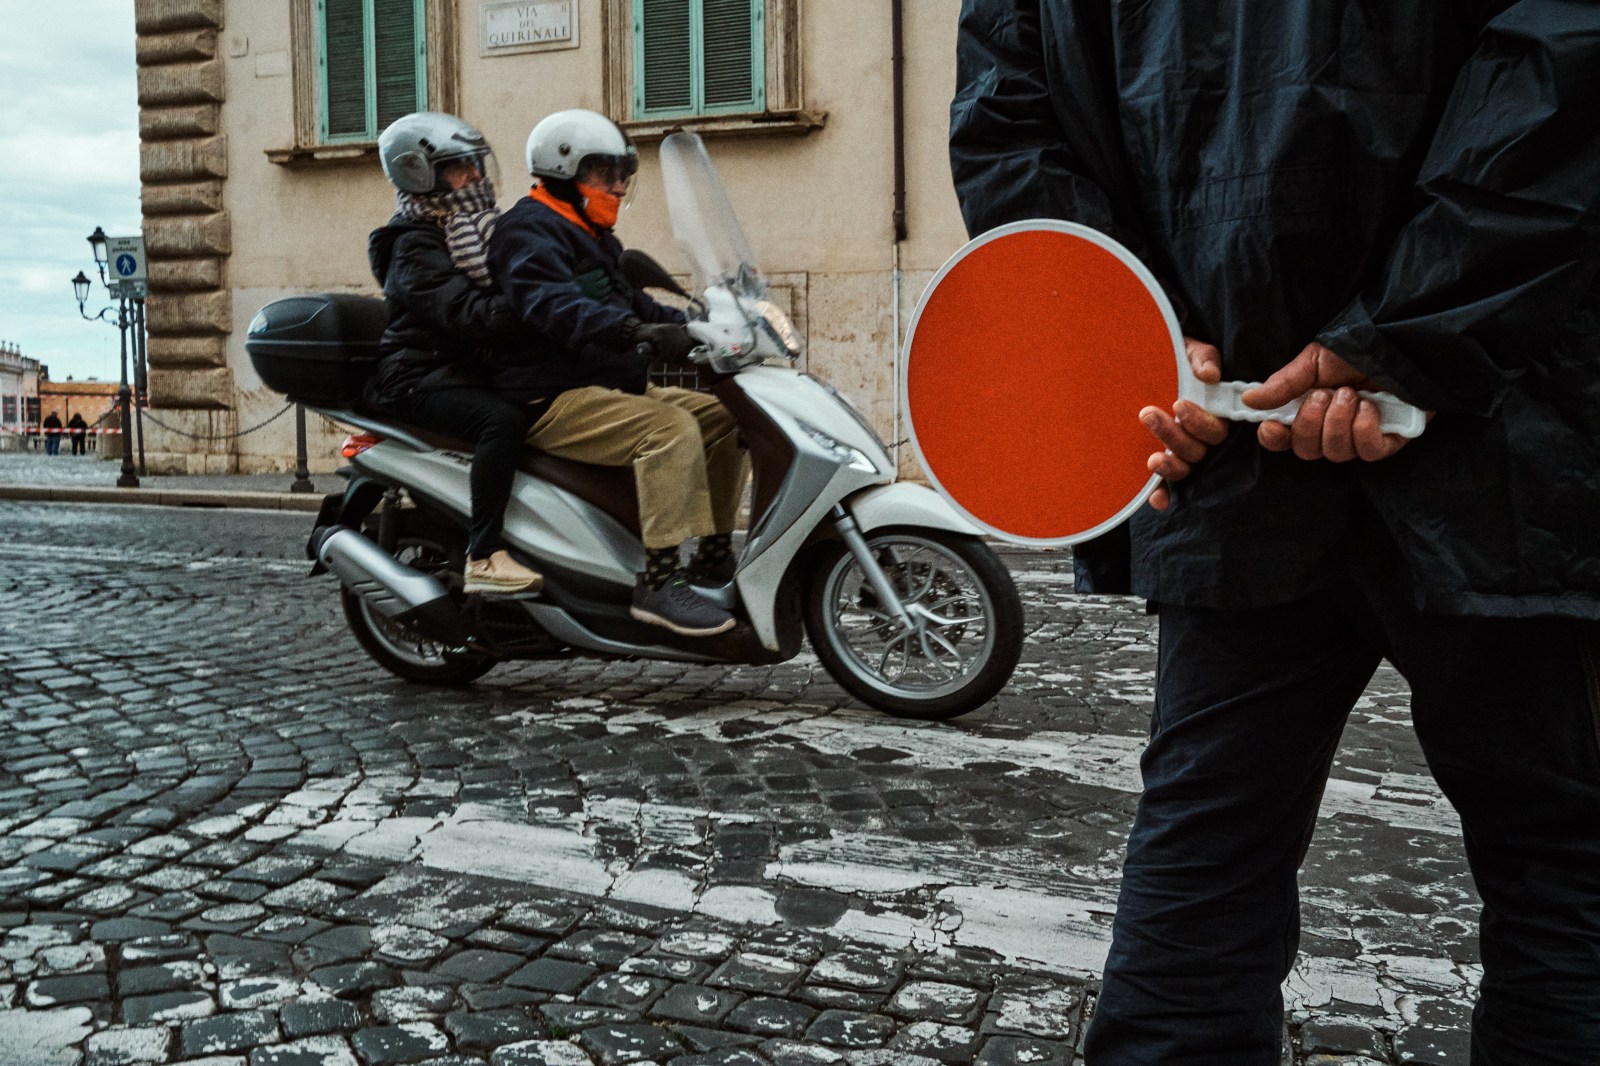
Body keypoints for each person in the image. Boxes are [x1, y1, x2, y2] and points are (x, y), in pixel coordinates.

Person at [951, 3, 1600, 1064]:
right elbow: (1564, 65)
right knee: (1564, 871)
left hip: (1227, 426)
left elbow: (1011, 120)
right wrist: (1408, 326)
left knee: (1207, 857)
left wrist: (1149, 332)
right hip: (1499, 431)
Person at [487, 109, 747, 638]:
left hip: (607, 385)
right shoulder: (526, 231)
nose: (619, 184)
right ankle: (658, 583)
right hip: (550, 393)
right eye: (605, 172)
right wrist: (634, 334)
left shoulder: (593, 235)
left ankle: (713, 557)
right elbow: (553, 306)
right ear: (565, 172)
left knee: (728, 415)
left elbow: (633, 302)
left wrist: (700, 325)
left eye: (622, 172)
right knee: (669, 430)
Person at [366, 111, 544, 596]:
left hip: (459, 371)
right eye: (461, 166)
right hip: (418, 380)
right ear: (420, 174)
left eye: (476, 163)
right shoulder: (414, 246)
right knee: (501, 422)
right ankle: (484, 554)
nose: (477, 176)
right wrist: (537, 301)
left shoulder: (469, 229)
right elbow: (470, 314)